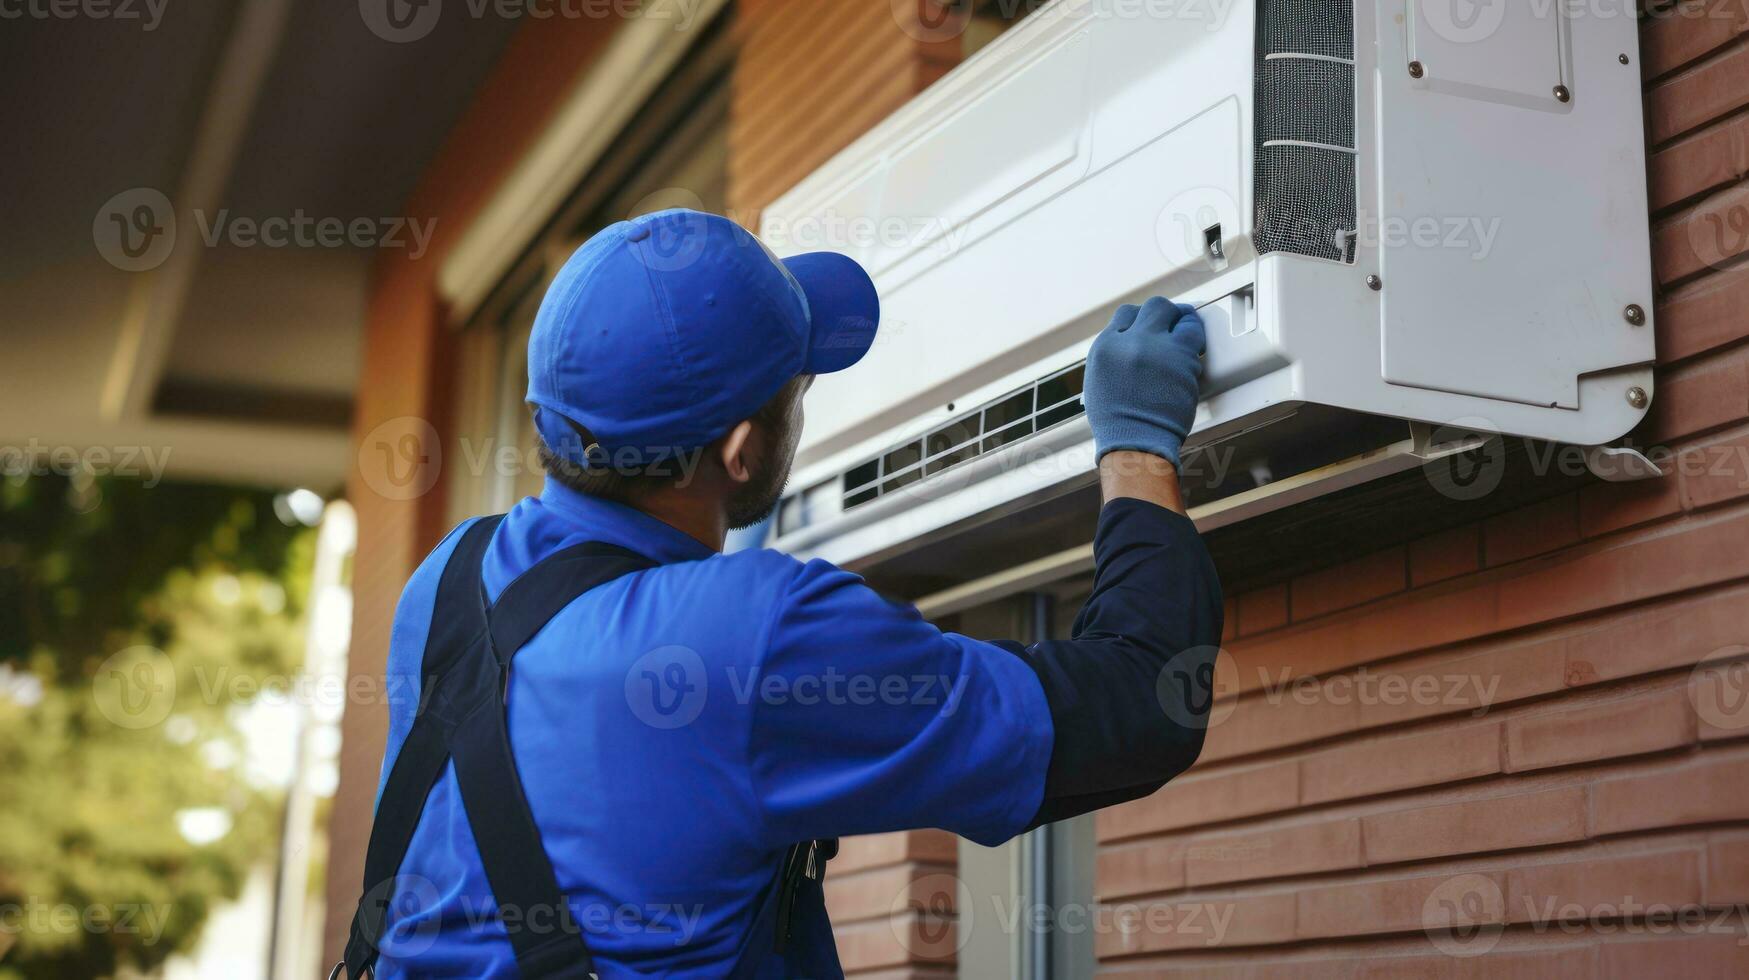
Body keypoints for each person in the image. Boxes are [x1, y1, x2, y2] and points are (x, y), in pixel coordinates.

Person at [334, 209, 1222, 979]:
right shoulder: (760, 633)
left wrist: (718, 576)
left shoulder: (446, 577)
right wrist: (1138, 449)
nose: (803, 405)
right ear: (739, 454)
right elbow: (1142, 704)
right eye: (795, 390)